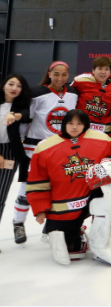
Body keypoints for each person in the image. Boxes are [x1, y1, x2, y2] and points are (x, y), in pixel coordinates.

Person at [26, 110, 111, 265]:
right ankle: (62, 230)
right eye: (70, 123)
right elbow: (38, 180)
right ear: (64, 124)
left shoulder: (102, 140)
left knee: (104, 206)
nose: (74, 127)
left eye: (79, 123)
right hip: (62, 206)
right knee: (72, 249)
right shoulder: (45, 147)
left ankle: (101, 235)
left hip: (91, 197)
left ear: (85, 125)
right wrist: (40, 208)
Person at [13, 63, 77, 243]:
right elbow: (26, 119)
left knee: (57, 190)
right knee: (27, 189)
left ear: (68, 75)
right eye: (56, 74)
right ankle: (18, 223)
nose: (60, 78)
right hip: (34, 149)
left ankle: (50, 226)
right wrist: (19, 142)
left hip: (59, 150)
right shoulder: (37, 93)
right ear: (49, 74)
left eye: (64, 74)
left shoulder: (73, 93)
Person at [0, 74, 31, 250]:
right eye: (11, 84)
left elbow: (26, 115)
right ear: (3, 85)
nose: (14, 88)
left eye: (18, 86)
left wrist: (16, 115)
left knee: (0, 196)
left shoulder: (22, 106)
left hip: (11, 152)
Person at [72, 56, 111, 136]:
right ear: (93, 70)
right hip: (81, 129)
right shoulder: (80, 80)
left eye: (106, 69)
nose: (103, 72)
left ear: (110, 71)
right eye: (100, 68)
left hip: (104, 132)